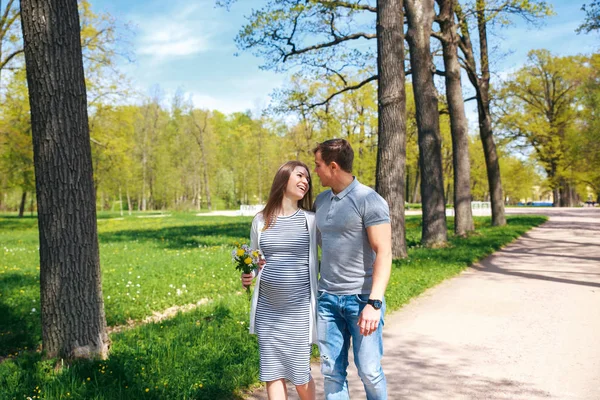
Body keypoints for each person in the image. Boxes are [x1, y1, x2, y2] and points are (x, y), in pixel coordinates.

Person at [312, 139, 392, 400]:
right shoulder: (321, 201)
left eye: (318, 165)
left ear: (333, 166)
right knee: (332, 372)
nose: (316, 171)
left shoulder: (369, 199)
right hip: (327, 300)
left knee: (369, 371)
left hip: (361, 300)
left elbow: (384, 252)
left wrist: (374, 303)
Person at [241, 160, 319, 400]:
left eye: (307, 178)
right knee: (272, 372)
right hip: (268, 310)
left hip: (298, 311)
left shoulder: (311, 220)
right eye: (299, 176)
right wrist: (249, 274)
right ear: (283, 179)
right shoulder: (260, 220)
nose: (305, 181)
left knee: (300, 375)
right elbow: (255, 259)